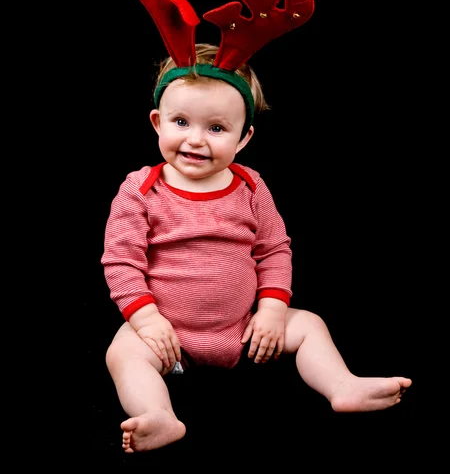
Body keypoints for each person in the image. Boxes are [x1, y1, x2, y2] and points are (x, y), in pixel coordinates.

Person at [101, 41, 412, 454]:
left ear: (243, 137)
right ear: (157, 122)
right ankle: (160, 414)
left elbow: (274, 251)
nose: (196, 140)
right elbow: (122, 263)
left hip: (244, 328)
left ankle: (341, 385)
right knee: (122, 353)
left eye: (216, 128)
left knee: (310, 325)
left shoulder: (250, 187)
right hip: (166, 334)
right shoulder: (140, 189)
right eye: (180, 122)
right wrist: (147, 321)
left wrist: (271, 310)